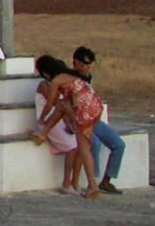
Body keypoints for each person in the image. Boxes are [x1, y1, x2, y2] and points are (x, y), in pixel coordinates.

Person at [30, 55, 103, 199]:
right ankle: (91, 185)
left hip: (85, 110)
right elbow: (66, 103)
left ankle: (93, 186)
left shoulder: (57, 81)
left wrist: (43, 118)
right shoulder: (72, 76)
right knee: (85, 147)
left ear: (45, 72)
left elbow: (51, 103)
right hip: (95, 106)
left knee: (83, 149)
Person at [71, 47, 127, 195]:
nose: (87, 67)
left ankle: (106, 181)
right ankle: (92, 181)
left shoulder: (88, 77)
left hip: (93, 119)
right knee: (93, 143)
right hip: (79, 121)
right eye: (84, 63)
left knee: (119, 144)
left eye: (89, 64)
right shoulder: (69, 79)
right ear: (75, 62)